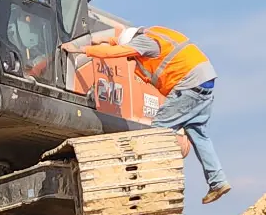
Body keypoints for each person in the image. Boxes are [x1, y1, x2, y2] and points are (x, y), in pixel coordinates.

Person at [76, 23, 231, 203]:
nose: (134, 61)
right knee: (200, 137)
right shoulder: (155, 35)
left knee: (157, 132)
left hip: (188, 86)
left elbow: (117, 51)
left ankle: (155, 181)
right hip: (205, 85)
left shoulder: (144, 42)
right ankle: (218, 181)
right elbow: (122, 43)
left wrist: (83, 50)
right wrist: (107, 39)